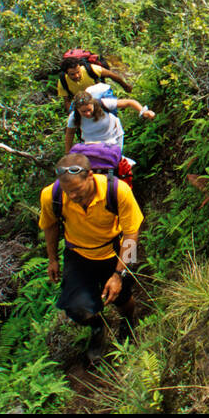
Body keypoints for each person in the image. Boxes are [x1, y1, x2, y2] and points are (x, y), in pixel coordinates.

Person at [40, 153, 143, 364]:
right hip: (78, 254)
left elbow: (131, 234)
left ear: (90, 176)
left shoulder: (117, 191)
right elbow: (50, 226)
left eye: (77, 190)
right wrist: (52, 259)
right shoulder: (51, 195)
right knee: (75, 307)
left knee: (123, 297)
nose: (73, 196)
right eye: (68, 191)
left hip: (112, 250)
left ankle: (128, 322)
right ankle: (97, 326)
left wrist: (119, 274)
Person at [64, 88, 155, 156]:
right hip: (90, 143)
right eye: (83, 111)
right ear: (78, 110)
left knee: (114, 162)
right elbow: (70, 134)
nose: (87, 113)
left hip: (113, 139)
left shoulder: (103, 104)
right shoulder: (74, 116)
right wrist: (68, 153)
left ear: (93, 105)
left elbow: (129, 102)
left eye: (89, 110)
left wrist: (143, 112)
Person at [57, 57, 132, 113]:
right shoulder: (63, 81)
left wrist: (125, 86)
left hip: (100, 95)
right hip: (83, 101)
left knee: (110, 111)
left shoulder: (91, 69)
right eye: (72, 74)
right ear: (66, 73)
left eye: (78, 72)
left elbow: (111, 74)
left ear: (80, 67)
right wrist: (72, 115)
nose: (77, 76)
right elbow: (67, 101)